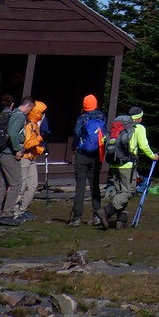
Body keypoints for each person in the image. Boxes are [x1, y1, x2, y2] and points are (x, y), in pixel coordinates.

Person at [96, 106, 154, 228]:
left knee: (120, 192)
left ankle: (120, 221)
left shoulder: (119, 126)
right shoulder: (138, 128)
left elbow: (105, 139)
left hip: (114, 163)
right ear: (139, 117)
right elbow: (144, 146)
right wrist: (153, 156)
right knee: (129, 192)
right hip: (127, 164)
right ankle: (106, 211)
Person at [0, 95, 33, 224]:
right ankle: (7, 215)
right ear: (28, 106)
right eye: (30, 109)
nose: (30, 112)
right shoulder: (19, 116)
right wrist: (18, 148)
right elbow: (13, 133)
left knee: (1, 186)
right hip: (9, 155)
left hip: (2, 153)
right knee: (16, 184)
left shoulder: (11, 114)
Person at [70, 95, 105, 225]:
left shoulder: (82, 118)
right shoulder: (101, 117)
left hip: (82, 154)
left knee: (80, 185)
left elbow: (76, 134)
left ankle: (77, 217)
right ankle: (97, 215)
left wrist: (75, 148)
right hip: (96, 155)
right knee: (94, 185)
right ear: (95, 104)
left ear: (84, 105)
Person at [10, 100, 47, 225]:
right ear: (36, 112)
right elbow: (26, 143)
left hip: (32, 158)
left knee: (32, 185)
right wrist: (39, 139)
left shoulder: (35, 125)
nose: (42, 115)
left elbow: (33, 144)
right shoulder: (27, 124)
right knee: (21, 186)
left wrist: (41, 150)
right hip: (24, 158)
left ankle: (23, 209)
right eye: (41, 113)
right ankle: (14, 212)